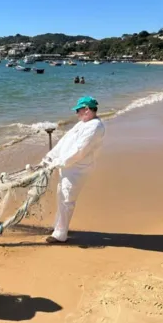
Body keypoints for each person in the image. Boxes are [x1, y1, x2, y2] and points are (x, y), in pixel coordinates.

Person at [38, 96, 105, 243]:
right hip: (66, 166)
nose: (77, 113)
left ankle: (60, 234)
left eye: (78, 110)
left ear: (87, 110)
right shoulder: (83, 123)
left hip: (78, 169)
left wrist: (59, 162)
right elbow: (65, 141)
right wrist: (50, 157)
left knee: (67, 198)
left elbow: (79, 151)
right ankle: (58, 226)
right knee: (60, 194)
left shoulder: (95, 127)